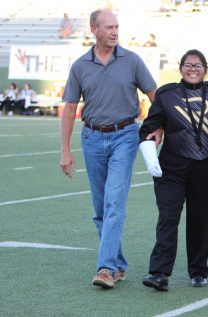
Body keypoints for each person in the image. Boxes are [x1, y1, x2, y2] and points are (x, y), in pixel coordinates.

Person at [60, 8, 158, 289]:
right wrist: (65, 150)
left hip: (125, 136)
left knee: (114, 202)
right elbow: (69, 109)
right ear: (94, 29)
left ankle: (105, 268)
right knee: (100, 208)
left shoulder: (133, 60)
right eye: (109, 27)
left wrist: (157, 126)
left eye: (117, 27)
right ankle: (118, 264)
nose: (115, 32)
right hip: (91, 138)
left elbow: (155, 96)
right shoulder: (80, 66)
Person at [139, 49, 208, 291]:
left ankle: (198, 271)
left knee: (200, 220)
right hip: (172, 167)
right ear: (180, 68)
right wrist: (150, 152)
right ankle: (159, 272)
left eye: (198, 65)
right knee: (168, 218)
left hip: (206, 168)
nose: (193, 69)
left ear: (205, 68)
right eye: (188, 65)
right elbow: (149, 127)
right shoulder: (166, 94)